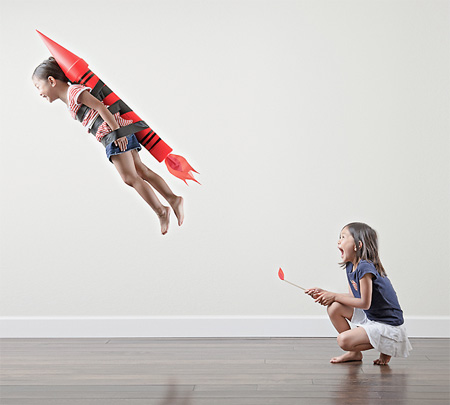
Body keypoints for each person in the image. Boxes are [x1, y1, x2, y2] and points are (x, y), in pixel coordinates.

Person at [32, 57, 184, 235]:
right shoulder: (70, 97)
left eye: (38, 87)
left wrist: (116, 132)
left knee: (130, 177)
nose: (39, 92)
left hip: (113, 133)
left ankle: (161, 210)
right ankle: (173, 199)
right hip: (113, 132)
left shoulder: (74, 92)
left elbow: (101, 107)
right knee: (141, 171)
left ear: (51, 81)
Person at [305, 222, 412, 365]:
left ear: (357, 245)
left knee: (343, 340)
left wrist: (334, 296)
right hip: (372, 316)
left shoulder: (365, 267)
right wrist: (326, 293)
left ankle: (387, 347)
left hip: (388, 324)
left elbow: (364, 303)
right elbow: (354, 297)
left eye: (343, 237)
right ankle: (354, 353)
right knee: (334, 307)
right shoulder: (350, 265)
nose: (338, 241)